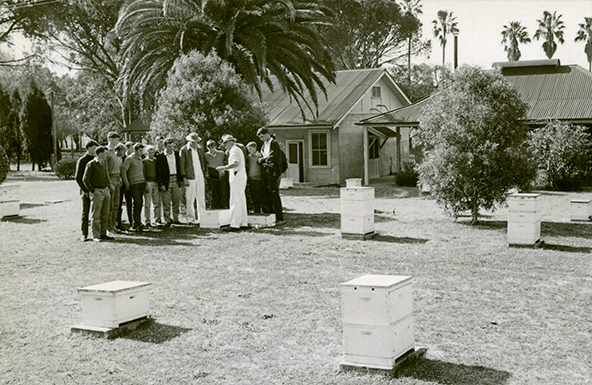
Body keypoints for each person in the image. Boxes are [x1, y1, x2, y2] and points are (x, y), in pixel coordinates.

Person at [217, 134, 248, 230]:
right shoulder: (236, 149)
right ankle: (243, 222)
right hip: (240, 175)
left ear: (231, 142)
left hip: (237, 176)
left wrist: (224, 167)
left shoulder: (234, 150)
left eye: (225, 143)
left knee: (235, 199)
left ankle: (234, 224)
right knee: (241, 199)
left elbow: (235, 163)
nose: (224, 145)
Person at [82, 146, 112, 242]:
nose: (106, 155)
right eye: (105, 153)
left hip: (105, 190)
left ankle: (103, 233)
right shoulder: (91, 164)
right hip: (97, 191)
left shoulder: (104, 164)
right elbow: (85, 179)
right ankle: (96, 235)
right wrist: (93, 191)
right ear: (100, 154)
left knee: (105, 213)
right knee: (96, 214)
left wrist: (109, 188)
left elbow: (107, 177)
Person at [257, 127, 285, 225]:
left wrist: (263, 160)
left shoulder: (274, 144)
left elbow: (272, 158)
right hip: (266, 172)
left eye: (261, 136)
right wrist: (263, 160)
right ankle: (271, 216)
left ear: (266, 134)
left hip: (273, 173)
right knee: (267, 194)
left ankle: (280, 218)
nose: (261, 139)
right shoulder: (264, 145)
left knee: (274, 194)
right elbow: (261, 159)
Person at [179, 133, 207, 224]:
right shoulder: (184, 150)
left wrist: (204, 173)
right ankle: (190, 219)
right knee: (190, 198)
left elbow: (202, 162)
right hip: (190, 176)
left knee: (201, 197)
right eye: (193, 142)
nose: (195, 143)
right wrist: (184, 177)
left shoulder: (199, 148)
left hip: (200, 175)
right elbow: (182, 165)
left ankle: (202, 218)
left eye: (196, 142)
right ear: (189, 141)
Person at [75, 140, 99, 241]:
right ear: (88, 148)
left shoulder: (96, 159)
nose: (95, 150)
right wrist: (85, 190)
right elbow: (78, 177)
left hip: (96, 189)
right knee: (86, 212)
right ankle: (84, 234)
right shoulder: (82, 160)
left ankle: (97, 233)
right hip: (86, 190)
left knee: (96, 212)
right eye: (94, 148)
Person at [156, 137, 183, 226]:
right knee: (166, 201)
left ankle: (176, 219)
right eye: (169, 147)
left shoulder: (177, 154)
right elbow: (159, 172)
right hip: (166, 180)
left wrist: (181, 180)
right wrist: (161, 184)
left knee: (176, 200)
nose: (171, 148)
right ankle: (167, 220)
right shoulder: (160, 157)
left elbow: (180, 168)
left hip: (176, 179)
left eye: (172, 146)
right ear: (165, 147)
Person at [122, 143, 146, 231]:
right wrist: (127, 183)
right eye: (140, 150)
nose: (141, 152)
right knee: (137, 202)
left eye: (142, 151)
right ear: (135, 150)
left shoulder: (140, 159)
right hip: (133, 184)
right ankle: (135, 224)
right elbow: (123, 170)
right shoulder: (129, 159)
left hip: (141, 183)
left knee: (140, 203)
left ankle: (138, 222)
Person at [105, 131, 123, 235]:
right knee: (110, 205)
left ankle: (113, 226)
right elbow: (105, 169)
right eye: (116, 139)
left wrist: (119, 178)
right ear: (110, 139)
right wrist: (109, 182)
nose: (117, 141)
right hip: (111, 179)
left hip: (117, 178)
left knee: (116, 205)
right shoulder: (106, 152)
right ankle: (109, 227)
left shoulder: (115, 153)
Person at [204, 139, 229, 209]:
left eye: (213, 146)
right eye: (209, 147)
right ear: (207, 147)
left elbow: (227, 162)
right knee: (213, 195)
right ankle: (215, 210)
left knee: (223, 194)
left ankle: (225, 210)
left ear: (215, 146)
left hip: (222, 176)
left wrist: (225, 170)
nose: (211, 148)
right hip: (212, 178)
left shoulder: (222, 153)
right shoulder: (205, 155)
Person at [245, 141, 267, 214]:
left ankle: (264, 211)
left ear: (255, 148)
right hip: (251, 179)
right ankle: (256, 211)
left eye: (250, 149)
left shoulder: (260, 156)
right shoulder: (248, 157)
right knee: (253, 197)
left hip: (259, 179)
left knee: (261, 196)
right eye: (248, 149)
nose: (249, 150)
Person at [143, 145, 161, 226]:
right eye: (149, 152)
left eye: (152, 152)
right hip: (148, 183)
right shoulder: (144, 161)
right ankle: (147, 220)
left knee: (157, 202)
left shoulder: (156, 160)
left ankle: (157, 219)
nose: (151, 154)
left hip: (156, 182)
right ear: (146, 153)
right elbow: (143, 174)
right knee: (147, 203)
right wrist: (145, 184)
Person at [114, 143, 128, 231]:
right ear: (118, 150)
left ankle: (119, 222)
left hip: (122, 183)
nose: (124, 152)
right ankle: (114, 222)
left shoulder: (124, 159)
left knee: (119, 204)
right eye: (123, 151)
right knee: (115, 204)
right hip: (115, 182)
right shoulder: (113, 158)